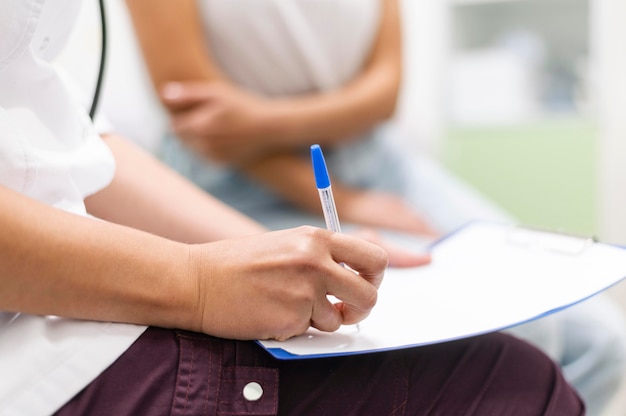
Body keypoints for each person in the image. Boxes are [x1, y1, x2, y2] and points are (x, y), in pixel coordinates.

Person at [0, 1, 585, 415]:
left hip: (368, 156)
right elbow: (207, 128)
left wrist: (293, 256)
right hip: (33, 349)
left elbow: (72, 149)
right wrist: (198, 282)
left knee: (561, 334)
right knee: (521, 382)